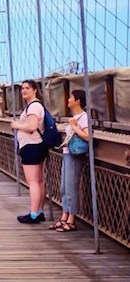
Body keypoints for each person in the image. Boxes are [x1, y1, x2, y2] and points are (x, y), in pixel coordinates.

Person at [49, 89, 90, 233]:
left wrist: (72, 126)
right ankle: (64, 216)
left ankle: (71, 220)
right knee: (64, 187)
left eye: (71, 97)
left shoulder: (83, 117)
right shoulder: (75, 116)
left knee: (71, 186)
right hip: (68, 153)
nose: (68, 100)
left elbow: (87, 136)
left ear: (78, 101)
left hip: (75, 154)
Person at [10, 79, 49, 224]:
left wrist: (16, 125)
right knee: (38, 181)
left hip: (31, 146)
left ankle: (33, 214)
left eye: (27, 88)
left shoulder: (33, 107)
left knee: (33, 181)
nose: (24, 91)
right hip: (37, 145)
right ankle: (38, 211)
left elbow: (32, 127)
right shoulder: (36, 106)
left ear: (34, 90)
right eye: (22, 88)